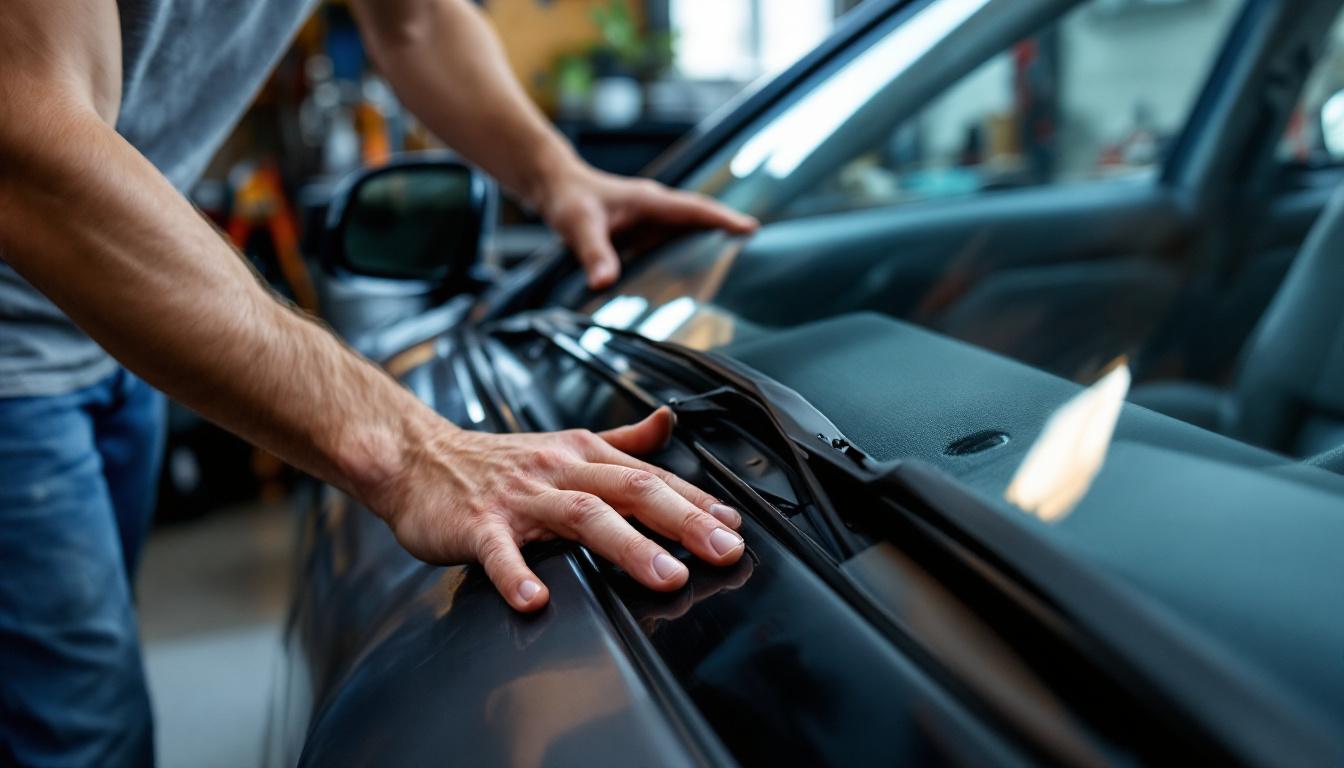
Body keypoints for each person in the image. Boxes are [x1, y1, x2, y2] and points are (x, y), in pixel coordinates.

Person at [0, 0, 757, 763]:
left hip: (106, 328)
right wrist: (413, 451)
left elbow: (414, 20)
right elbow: (25, 133)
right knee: (84, 738)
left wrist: (558, 179)